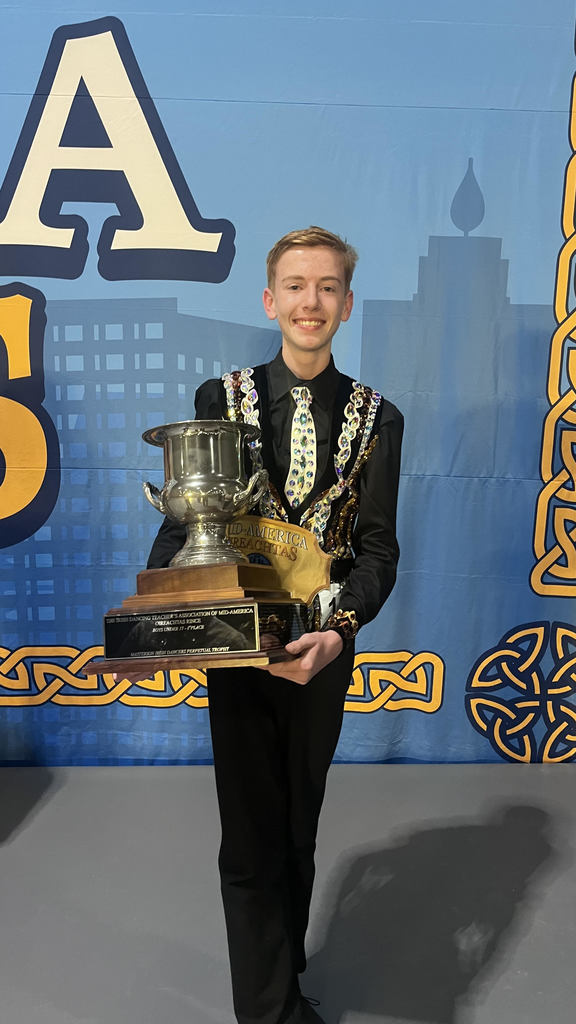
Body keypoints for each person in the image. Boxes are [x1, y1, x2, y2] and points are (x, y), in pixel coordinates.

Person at [147, 227, 403, 1024]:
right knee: (250, 834)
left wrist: (340, 630)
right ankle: (269, 1013)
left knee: (298, 825)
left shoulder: (381, 418)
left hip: (323, 646)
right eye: (295, 286)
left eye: (327, 287)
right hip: (239, 641)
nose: (310, 302)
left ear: (347, 305)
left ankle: (281, 976)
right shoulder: (220, 400)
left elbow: (378, 549)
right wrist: (160, 605)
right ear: (270, 300)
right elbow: (188, 524)